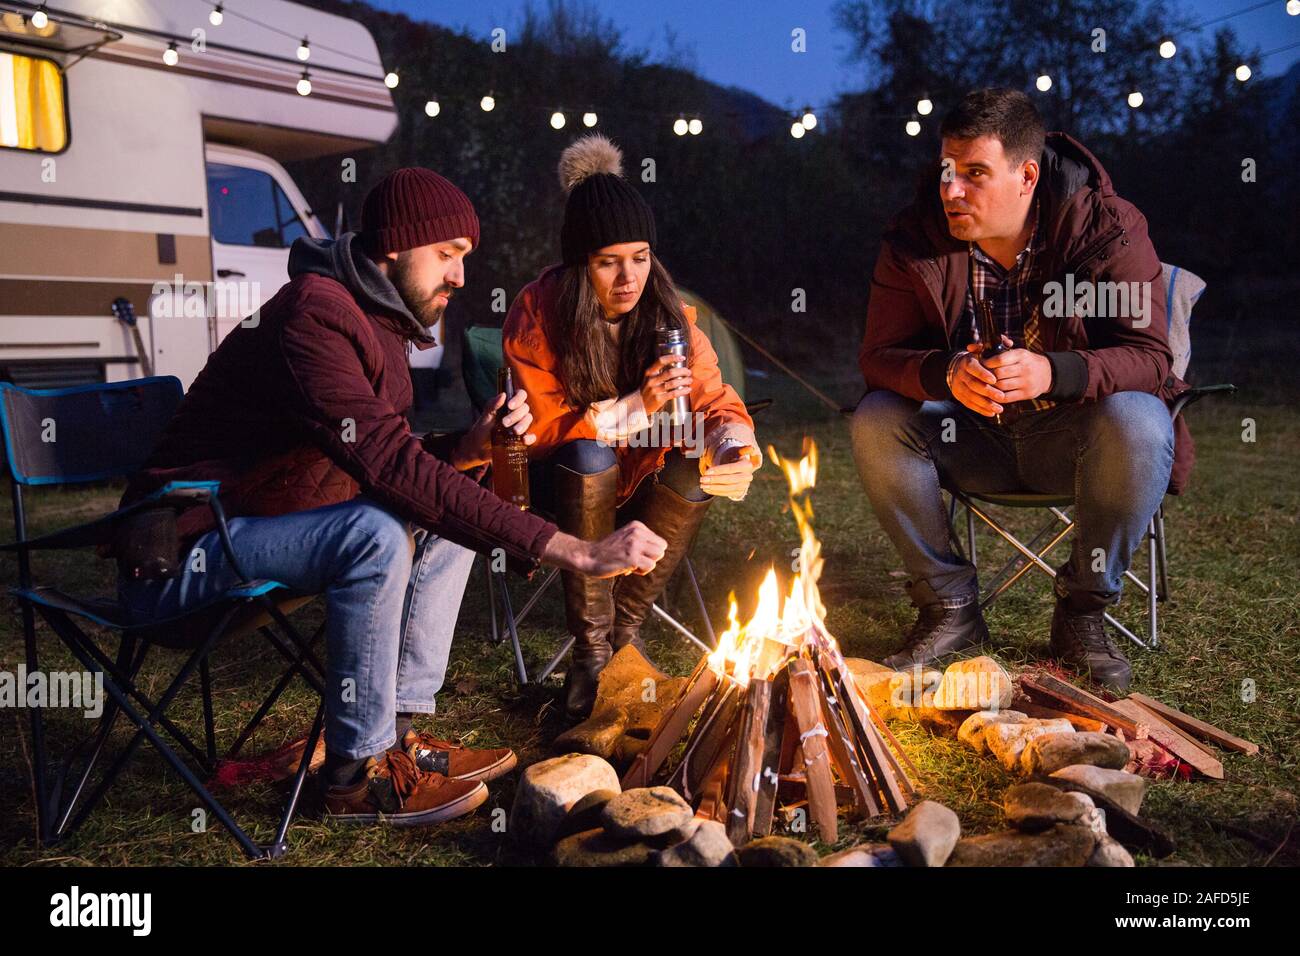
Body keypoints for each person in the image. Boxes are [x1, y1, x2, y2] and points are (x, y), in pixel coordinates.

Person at [115, 167, 667, 826]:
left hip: (260, 530)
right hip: (182, 558)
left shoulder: (375, 324)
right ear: (394, 250)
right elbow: (387, 464)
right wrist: (574, 549)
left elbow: (384, 467)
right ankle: (354, 777)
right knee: (374, 535)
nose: (461, 277)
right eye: (448, 256)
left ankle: (399, 735)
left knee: (453, 494)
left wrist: (467, 449)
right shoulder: (312, 317)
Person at [850, 88, 1194, 691]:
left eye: (974, 174)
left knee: (1140, 418)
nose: (951, 191)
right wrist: (945, 372)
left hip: (1078, 442)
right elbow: (879, 357)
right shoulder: (915, 237)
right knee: (877, 416)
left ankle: (1082, 614)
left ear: (1027, 175)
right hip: (970, 435)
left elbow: (1150, 359)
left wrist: (1053, 371)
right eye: (946, 172)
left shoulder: (1106, 227)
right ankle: (950, 609)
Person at [504, 134, 760, 719]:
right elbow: (539, 428)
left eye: (640, 257)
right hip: (559, 484)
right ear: (579, 265)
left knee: (695, 467)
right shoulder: (540, 312)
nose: (629, 278)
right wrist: (636, 406)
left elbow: (713, 397)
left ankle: (625, 634)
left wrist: (731, 445)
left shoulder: (668, 317)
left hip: (635, 483)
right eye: (608, 262)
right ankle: (591, 656)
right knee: (591, 455)